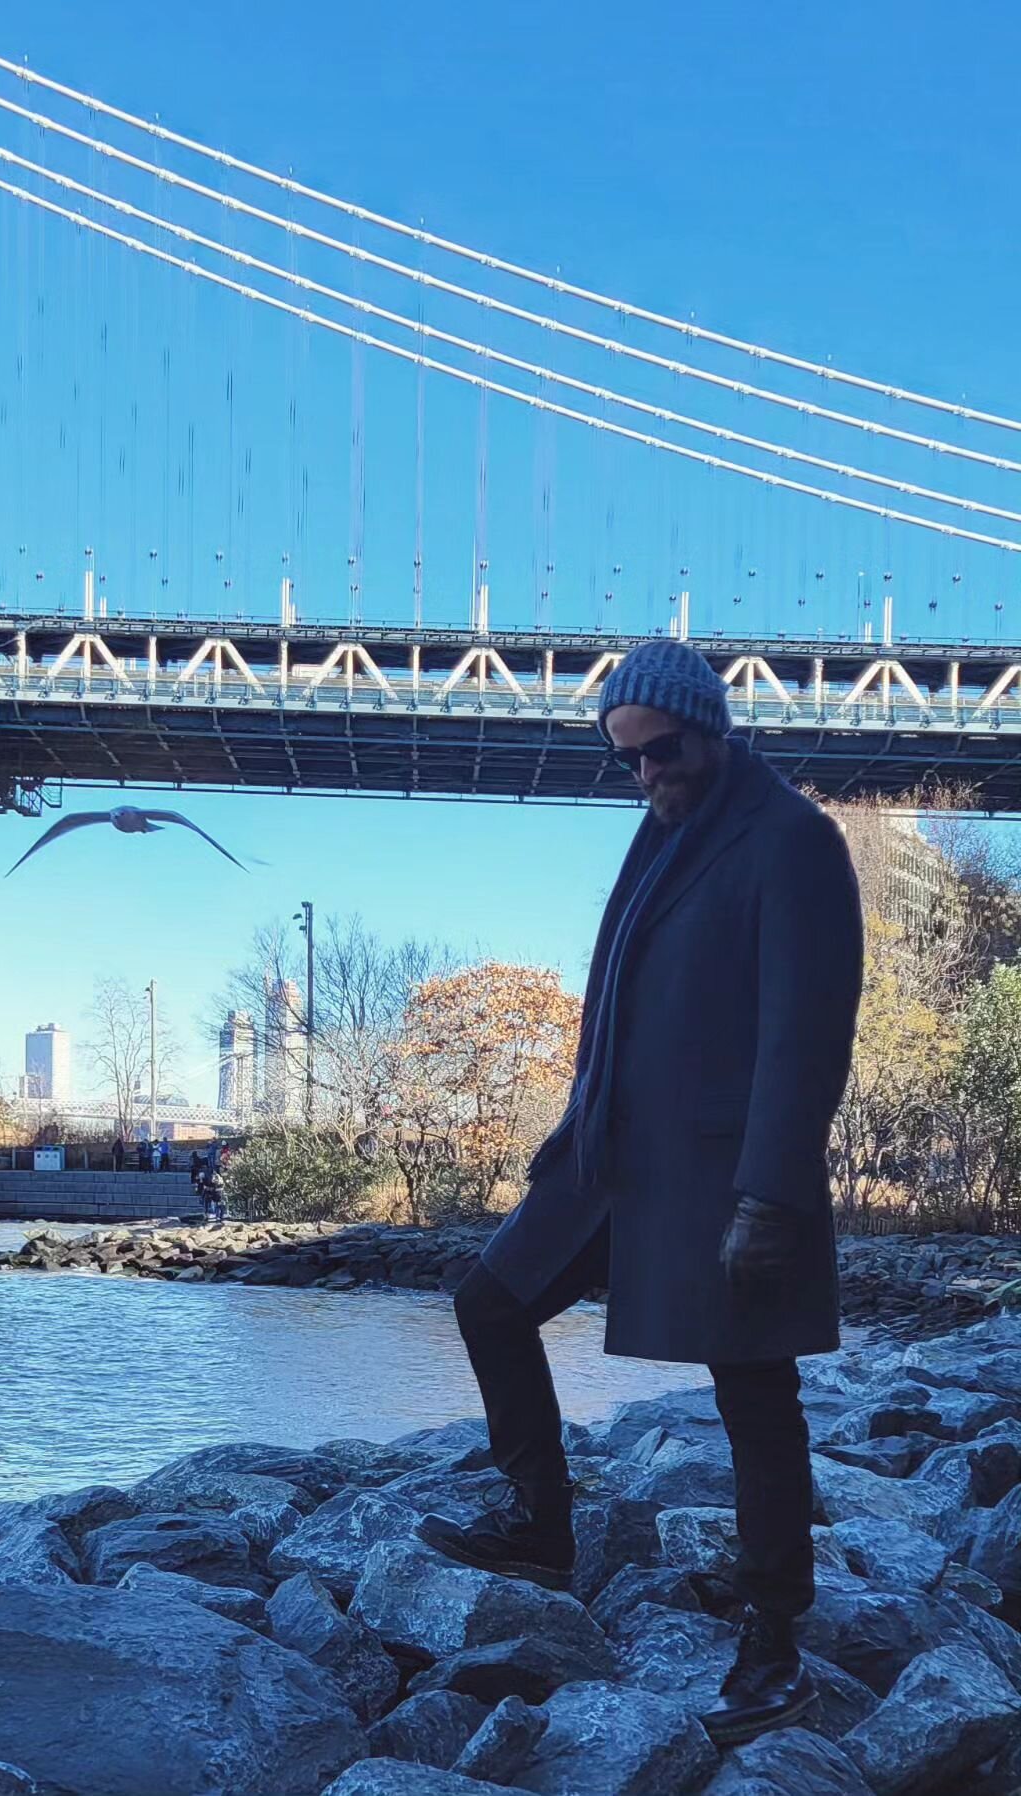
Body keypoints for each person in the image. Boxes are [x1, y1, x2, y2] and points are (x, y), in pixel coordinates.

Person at [417, 638, 863, 1749]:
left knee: (755, 1398)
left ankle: (773, 1648)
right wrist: (571, 1127)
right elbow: (618, 996)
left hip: (722, 1176)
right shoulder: (662, 829)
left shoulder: (794, 840)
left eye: (661, 751)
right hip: (610, 1159)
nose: (646, 773)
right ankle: (539, 1522)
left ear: (709, 727)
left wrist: (769, 1195)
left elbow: (803, 1038)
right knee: (490, 1299)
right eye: (627, 759)